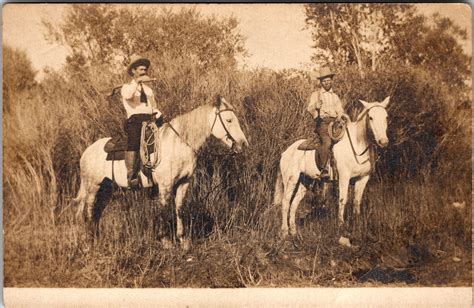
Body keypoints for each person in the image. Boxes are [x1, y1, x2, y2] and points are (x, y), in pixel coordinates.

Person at [121, 55, 162, 189]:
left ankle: (153, 176)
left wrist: (159, 114)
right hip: (134, 121)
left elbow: (153, 107)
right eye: (141, 70)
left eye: (145, 70)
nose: (144, 72)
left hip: (149, 120)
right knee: (134, 142)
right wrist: (137, 82)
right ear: (133, 71)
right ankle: (132, 178)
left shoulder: (149, 90)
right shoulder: (127, 87)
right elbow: (128, 96)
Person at [306, 66, 345, 180]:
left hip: (335, 123)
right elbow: (310, 108)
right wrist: (315, 107)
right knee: (327, 142)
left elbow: (340, 109)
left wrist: (340, 116)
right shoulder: (316, 95)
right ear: (321, 82)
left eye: (329, 80)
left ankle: (344, 168)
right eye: (324, 81)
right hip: (322, 123)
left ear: (331, 81)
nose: (327, 83)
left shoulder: (335, 96)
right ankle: (324, 169)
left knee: (346, 140)